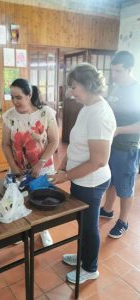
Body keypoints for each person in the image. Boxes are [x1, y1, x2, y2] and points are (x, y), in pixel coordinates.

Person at [50, 63, 116, 284]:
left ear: (87, 85)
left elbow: (98, 161)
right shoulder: (87, 107)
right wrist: (63, 166)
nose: (71, 92)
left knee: (89, 226)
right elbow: (76, 145)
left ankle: (90, 268)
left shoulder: (99, 113)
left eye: (74, 86)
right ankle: (83, 256)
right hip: (80, 178)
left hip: (92, 182)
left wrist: (66, 176)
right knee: (83, 222)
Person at [2, 79, 59, 247]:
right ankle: (22, 230)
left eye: (19, 97)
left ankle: (44, 230)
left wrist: (40, 164)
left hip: (43, 166)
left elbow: (54, 141)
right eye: (12, 97)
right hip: (18, 168)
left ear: (29, 95)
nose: (15, 102)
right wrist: (13, 166)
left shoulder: (45, 113)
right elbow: (5, 144)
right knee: (20, 199)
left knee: (41, 199)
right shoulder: (9, 115)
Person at [100, 51, 140, 238]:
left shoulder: (136, 90)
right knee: (110, 180)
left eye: (118, 71)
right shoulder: (116, 87)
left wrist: (118, 130)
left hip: (127, 148)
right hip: (110, 145)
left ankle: (123, 221)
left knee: (125, 187)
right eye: (113, 71)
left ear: (129, 69)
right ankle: (107, 209)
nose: (114, 75)